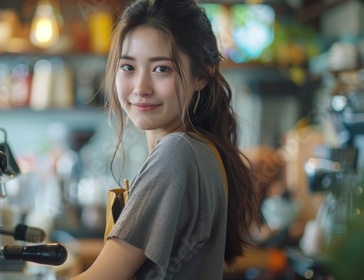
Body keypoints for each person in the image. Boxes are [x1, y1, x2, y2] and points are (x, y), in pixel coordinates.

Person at [73, 0, 261, 279]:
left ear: (202, 75)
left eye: (162, 69)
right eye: (128, 67)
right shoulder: (201, 150)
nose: (141, 88)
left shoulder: (176, 154)